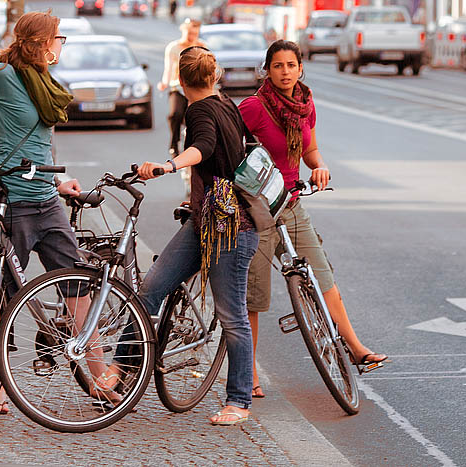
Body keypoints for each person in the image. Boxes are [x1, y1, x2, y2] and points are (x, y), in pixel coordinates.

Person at [0, 11, 117, 414]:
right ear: (39, 43)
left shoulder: (45, 83)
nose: (60, 45)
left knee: (78, 288)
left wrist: (58, 179)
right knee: (0, 295)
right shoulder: (2, 75)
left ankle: (100, 378)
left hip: (47, 200)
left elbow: (37, 143)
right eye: (57, 38)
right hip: (11, 203)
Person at [102, 46, 259, 426]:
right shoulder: (225, 101)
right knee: (152, 287)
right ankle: (121, 367)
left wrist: (168, 166)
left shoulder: (203, 108)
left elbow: (202, 147)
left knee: (232, 316)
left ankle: (239, 400)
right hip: (205, 219)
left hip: (232, 227)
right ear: (214, 74)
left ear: (181, 79)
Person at [238, 40, 387, 398]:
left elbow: (309, 149)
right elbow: (225, 145)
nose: (285, 71)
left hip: (290, 205)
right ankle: (248, 373)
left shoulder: (305, 105)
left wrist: (319, 167)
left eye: (291, 65)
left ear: (300, 68)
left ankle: (354, 347)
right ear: (267, 70)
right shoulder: (253, 108)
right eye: (278, 66)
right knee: (254, 298)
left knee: (323, 276)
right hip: (255, 212)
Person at [157, 18, 204, 159]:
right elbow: (168, 69)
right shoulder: (174, 47)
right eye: (189, 33)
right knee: (175, 114)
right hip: (177, 87)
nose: (192, 37)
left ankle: (197, 146)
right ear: (184, 31)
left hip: (196, 88)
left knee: (199, 117)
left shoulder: (202, 46)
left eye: (195, 33)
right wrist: (164, 82)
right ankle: (174, 143)